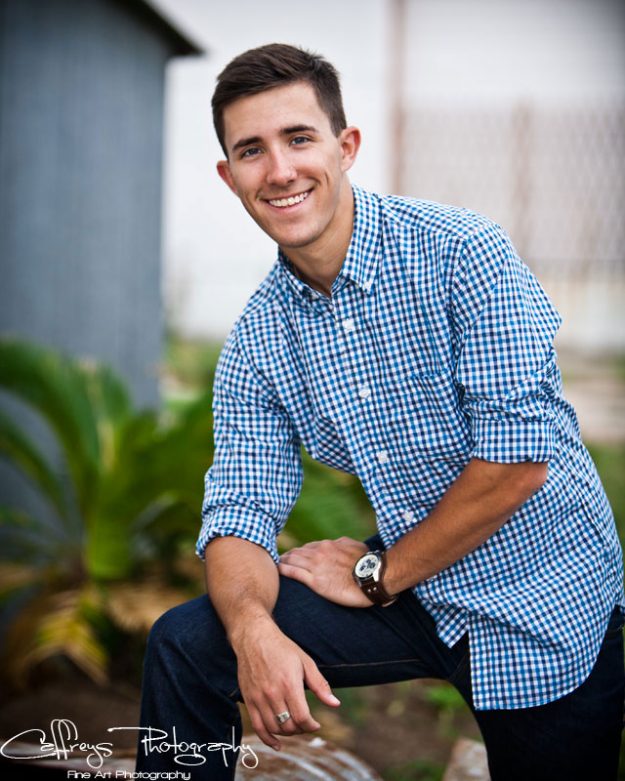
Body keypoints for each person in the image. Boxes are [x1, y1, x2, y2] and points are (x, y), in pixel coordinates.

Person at [137, 44, 624, 780]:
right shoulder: (258, 337)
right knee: (186, 643)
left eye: (298, 138)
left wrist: (378, 573)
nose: (279, 170)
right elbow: (237, 504)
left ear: (345, 145)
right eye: (250, 150)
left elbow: (516, 463)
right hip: (412, 583)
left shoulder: (463, 253)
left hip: (543, 599)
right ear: (228, 175)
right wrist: (253, 631)